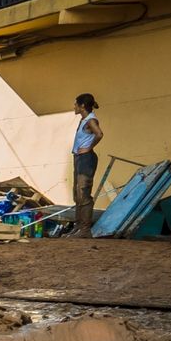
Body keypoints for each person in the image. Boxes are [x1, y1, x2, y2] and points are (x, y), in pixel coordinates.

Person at [71, 93, 103, 238]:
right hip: (79, 158)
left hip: (86, 159)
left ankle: (85, 229)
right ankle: (78, 226)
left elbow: (99, 134)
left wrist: (89, 147)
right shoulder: (84, 120)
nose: (74, 106)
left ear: (82, 105)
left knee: (83, 193)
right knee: (77, 193)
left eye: (76, 104)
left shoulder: (91, 120)